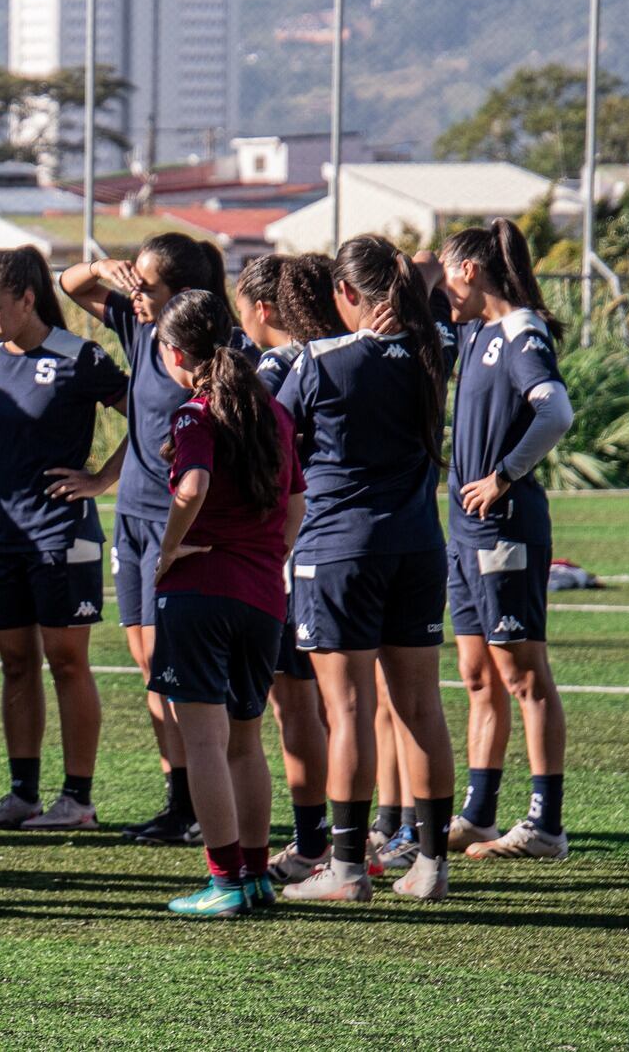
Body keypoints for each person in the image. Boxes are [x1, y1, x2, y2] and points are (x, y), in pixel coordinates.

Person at [278, 236, 457, 903]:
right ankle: (433, 864)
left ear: (348, 295)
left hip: (339, 550)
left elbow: (277, 435)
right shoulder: (430, 351)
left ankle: (347, 868)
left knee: (346, 708)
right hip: (417, 544)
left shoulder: (320, 360)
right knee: (421, 706)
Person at [58, 232, 249, 845]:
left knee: (182, 670)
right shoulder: (142, 327)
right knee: (150, 667)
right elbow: (70, 285)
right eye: (134, 283)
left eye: (148, 285)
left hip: (182, 523)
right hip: (134, 518)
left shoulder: (211, 352)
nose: (134, 294)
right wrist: (105, 267)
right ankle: (179, 800)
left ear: (184, 296)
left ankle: (205, 802)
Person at [146, 290, 307, 916]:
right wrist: (273, 553)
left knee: (205, 744)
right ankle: (257, 874)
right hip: (263, 595)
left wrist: (164, 553)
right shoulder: (273, 412)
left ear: (176, 353)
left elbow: (192, 484)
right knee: (247, 741)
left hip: (202, 594)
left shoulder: (196, 414)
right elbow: (296, 500)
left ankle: (225, 881)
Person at [0, 246, 127, 831]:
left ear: (28, 300)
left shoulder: (79, 356)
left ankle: (78, 799)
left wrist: (102, 479)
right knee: (15, 664)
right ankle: (22, 794)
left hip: (63, 531)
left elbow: (153, 413)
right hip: (3, 533)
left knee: (66, 662)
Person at [439, 218, 575, 861]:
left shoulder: (521, 330)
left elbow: (557, 411)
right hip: (465, 529)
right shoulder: (476, 330)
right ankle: (479, 813)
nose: (441, 284)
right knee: (476, 673)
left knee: (523, 674)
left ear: (469, 269)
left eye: (447, 270)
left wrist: (504, 475)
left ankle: (545, 824)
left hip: (503, 524)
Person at [235, 253, 340, 882]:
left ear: (264, 308)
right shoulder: (335, 354)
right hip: (332, 541)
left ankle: (312, 845)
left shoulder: (276, 368)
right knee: (339, 701)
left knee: (293, 704)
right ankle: (366, 833)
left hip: (289, 550)